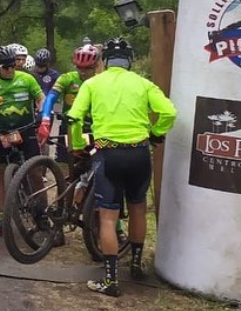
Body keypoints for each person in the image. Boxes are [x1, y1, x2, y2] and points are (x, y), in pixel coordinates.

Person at [67, 37, 177, 298]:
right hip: (139, 152)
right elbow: (169, 112)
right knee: (138, 208)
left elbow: (74, 117)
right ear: (130, 59)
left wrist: (75, 144)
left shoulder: (93, 83)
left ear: (104, 61)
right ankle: (137, 267)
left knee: (108, 217)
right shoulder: (144, 83)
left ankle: (111, 280)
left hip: (109, 153)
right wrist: (156, 134)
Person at [0, 45, 44, 236]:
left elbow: (41, 98)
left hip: (26, 130)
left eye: (12, 66)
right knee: (2, 176)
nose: (10, 70)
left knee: (35, 173)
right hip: (3, 133)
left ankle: (42, 216)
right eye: (6, 67)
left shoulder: (26, 79)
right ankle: (3, 217)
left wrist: (42, 113)